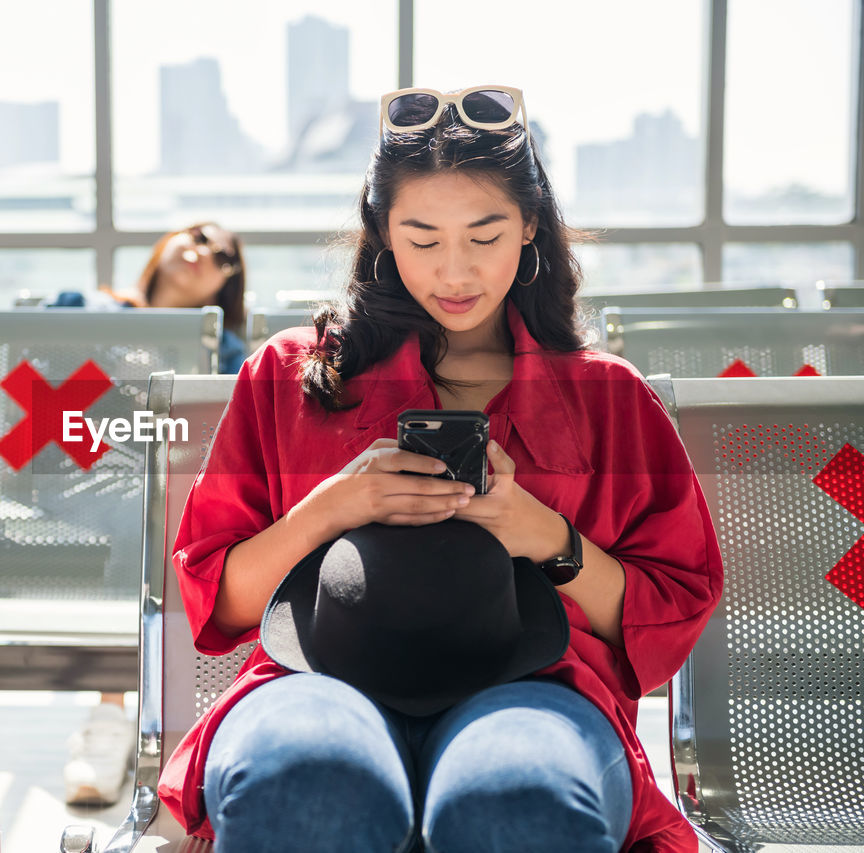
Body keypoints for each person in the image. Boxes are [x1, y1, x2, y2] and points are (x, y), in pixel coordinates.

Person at [155, 85, 724, 851]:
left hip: (542, 688)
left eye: (484, 236)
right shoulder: (289, 373)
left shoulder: (608, 398)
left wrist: (548, 537)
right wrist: (330, 508)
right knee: (306, 781)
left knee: (518, 801)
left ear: (530, 225)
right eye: (422, 239)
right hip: (317, 679)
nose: (454, 271)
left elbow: (669, 612)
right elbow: (216, 604)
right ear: (383, 231)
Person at [62, 221, 248, 807]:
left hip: (155, 496)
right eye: (194, 237)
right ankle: (125, 721)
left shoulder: (232, 355)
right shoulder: (85, 309)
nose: (200, 253)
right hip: (70, 479)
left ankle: (124, 722)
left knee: (153, 504)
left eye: (220, 255)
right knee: (144, 506)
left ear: (226, 283)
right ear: (164, 244)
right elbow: (32, 400)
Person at [51, 222, 248, 373]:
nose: (203, 252)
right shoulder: (74, 309)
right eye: (200, 237)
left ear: (223, 290)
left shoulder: (223, 353)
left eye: (222, 258)